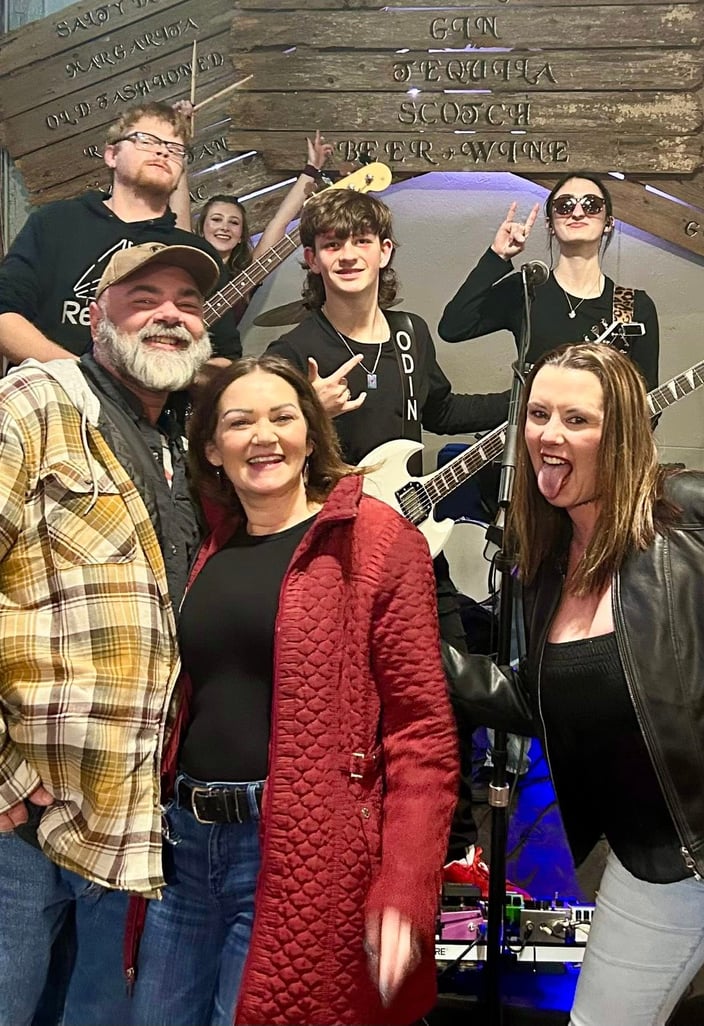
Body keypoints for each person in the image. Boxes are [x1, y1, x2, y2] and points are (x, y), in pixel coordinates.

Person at [126, 354, 458, 1026]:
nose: (264, 436)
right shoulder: (209, 545)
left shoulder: (374, 541)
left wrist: (406, 883)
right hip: (182, 848)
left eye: (282, 417)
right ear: (211, 449)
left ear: (310, 433)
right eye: (239, 422)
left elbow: (421, 732)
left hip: (293, 851)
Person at [445, 342, 704, 1026]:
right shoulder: (546, 562)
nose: (548, 435)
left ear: (621, 433)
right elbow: (542, 698)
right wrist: (416, 657)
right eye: (538, 414)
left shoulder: (695, 513)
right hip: (651, 858)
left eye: (576, 419)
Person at [266, 188, 512, 890]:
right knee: (351, 704)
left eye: (360, 240)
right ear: (311, 259)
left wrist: (522, 396)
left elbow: (441, 409)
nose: (347, 254)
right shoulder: (292, 351)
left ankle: (455, 847)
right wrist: (303, 412)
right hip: (336, 556)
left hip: (415, 548)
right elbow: (266, 461)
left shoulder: (411, 333)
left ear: (384, 251)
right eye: (331, 243)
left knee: (452, 691)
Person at [0, 241, 219, 1026]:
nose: (170, 314)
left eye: (187, 302)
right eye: (144, 297)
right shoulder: (36, 401)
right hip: (24, 815)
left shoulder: (184, 444)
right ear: (96, 318)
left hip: (135, 818)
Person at [0, 101, 240, 367]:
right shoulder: (56, 221)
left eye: (175, 149)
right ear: (112, 155)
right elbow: (5, 315)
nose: (162, 151)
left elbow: (225, 358)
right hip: (51, 388)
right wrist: (86, 378)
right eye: (146, 140)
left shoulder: (196, 255)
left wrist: (164, 377)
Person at [438, 172, 660, 389]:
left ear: (608, 223)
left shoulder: (636, 307)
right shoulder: (526, 289)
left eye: (591, 205)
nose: (577, 213)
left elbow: (646, 398)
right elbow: (453, 327)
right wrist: (497, 256)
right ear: (549, 224)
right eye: (565, 205)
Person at [193, 131, 333, 322]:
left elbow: (280, 221)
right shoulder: (186, 269)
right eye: (216, 219)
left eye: (234, 222)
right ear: (201, 229)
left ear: (241, 236)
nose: (224, 227)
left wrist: (311, 169)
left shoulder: (248, 272)